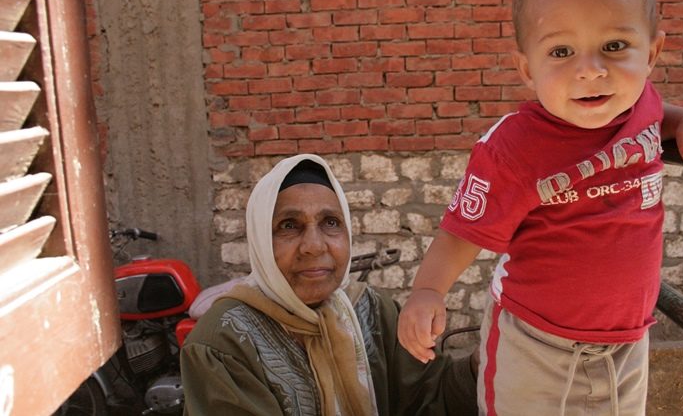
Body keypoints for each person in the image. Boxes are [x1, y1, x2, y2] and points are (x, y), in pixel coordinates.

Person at [397, 0, 683, 416]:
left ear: (652, 52)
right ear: (526, 68)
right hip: (537, 345)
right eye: (561, 51)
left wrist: (681, 121)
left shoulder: (643, 106)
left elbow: (655, 112)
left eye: (614, 47)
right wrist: (427, 291)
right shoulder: (513, 147)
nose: (591, 69)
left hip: (628, 342)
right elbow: (461, 232)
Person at [180, 154, 479, 416]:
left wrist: (483, 363)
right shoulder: (223, 341)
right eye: (289, 225)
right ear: (260, 239)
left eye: (330, 223)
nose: (313, 246)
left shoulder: (371, 311)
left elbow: (429, 397)